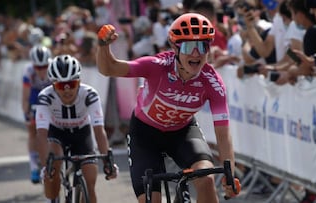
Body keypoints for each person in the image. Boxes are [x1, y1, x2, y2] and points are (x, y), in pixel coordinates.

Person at [96, 13, 241, 203]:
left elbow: (223, 132)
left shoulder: (212, 83)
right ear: (175, 47)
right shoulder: (157, 66)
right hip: (144, 135)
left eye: (202, 46)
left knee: (206, 180)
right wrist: (103, 46)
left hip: (182, 133)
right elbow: (109, 68)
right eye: (189, 46)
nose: (196, 53)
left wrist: (229, 174)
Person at [35, 55, 118, 203]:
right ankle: (53, 197)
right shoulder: (45, 97)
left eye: (72, 84)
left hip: (81, 133)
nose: (67, 91)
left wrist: (107, 161)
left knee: (90, 183)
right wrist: (45, 166)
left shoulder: (90, 95)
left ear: (79, 81)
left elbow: (99, 131)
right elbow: (41, 135)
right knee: (52, 173)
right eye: (61, 86)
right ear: (53, 85)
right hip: (57, 133)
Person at [22, 45, 52, 183]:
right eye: (38, 67)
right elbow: (25, 97)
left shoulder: (53, 69)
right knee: (32, 131)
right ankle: (34, 166)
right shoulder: (28, 71)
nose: (41, 70)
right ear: (33, 65)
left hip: (50, 94)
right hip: (35, 96)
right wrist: (26, 113)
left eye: (44, 66)